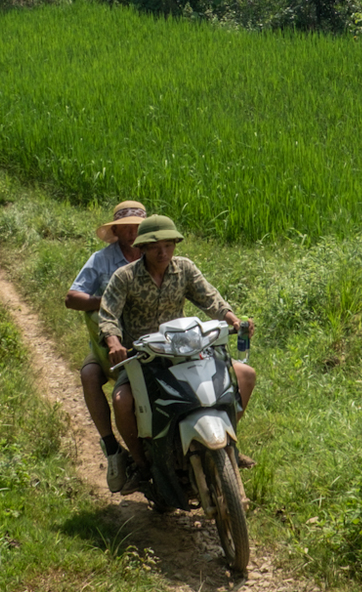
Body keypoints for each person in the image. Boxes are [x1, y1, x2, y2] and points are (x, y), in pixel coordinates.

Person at [98, 215, 256, 481]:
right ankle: (141, 464)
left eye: (169, 245)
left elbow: (210, 299)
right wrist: (114, 341)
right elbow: (108, 314)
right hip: (143, 357)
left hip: (185, 350)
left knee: (245, 376)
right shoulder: (124, 277)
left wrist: (233, 319)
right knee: (122, 402)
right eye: (156, 246)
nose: (163, 252)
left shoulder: (184, 269)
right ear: (143, 248)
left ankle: (226, 443)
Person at [65, 200, 145, 492]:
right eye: (126, 227)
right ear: (116, 231)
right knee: (89, 375)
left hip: (147, 337)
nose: (132, 232)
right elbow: (72, 298)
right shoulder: (101, 260)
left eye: (137, 226)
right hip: (109, 343)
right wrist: (106, 303)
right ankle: (112, 447)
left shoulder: (156, 254)